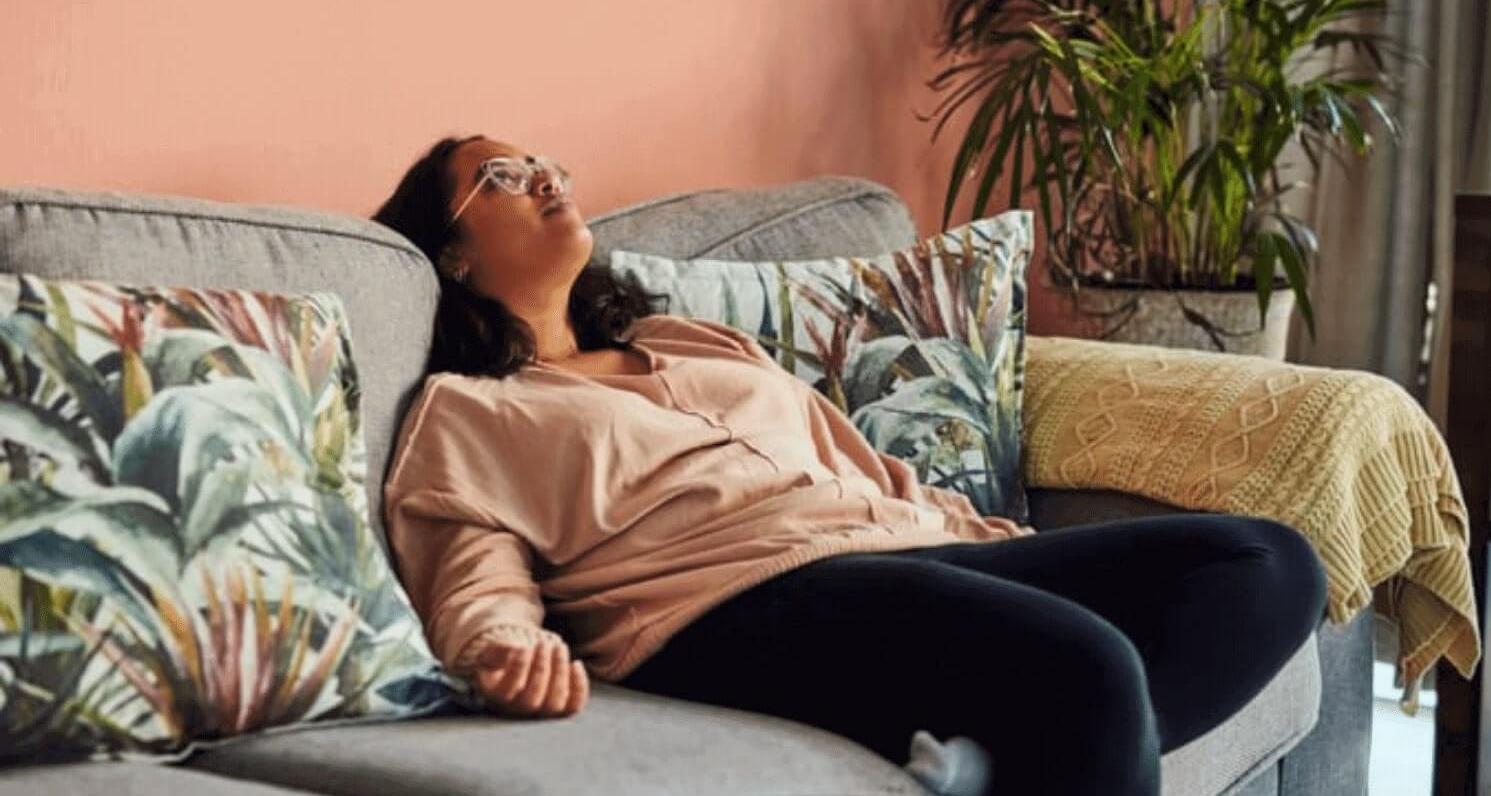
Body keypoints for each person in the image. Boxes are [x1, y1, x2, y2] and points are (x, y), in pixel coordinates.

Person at [372, 135, 1328, 796]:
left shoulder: (691, 342)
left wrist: (1000, 545)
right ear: (450, 254)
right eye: (502, 175)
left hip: (897, 552)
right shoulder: (471, 411)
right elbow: (472, 575)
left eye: (546, 162)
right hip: (730, 607)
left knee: (1267, 566)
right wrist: (502, 652)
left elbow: (860, 467)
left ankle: (1013, 765)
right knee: (1089, 671)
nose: (545, 177)